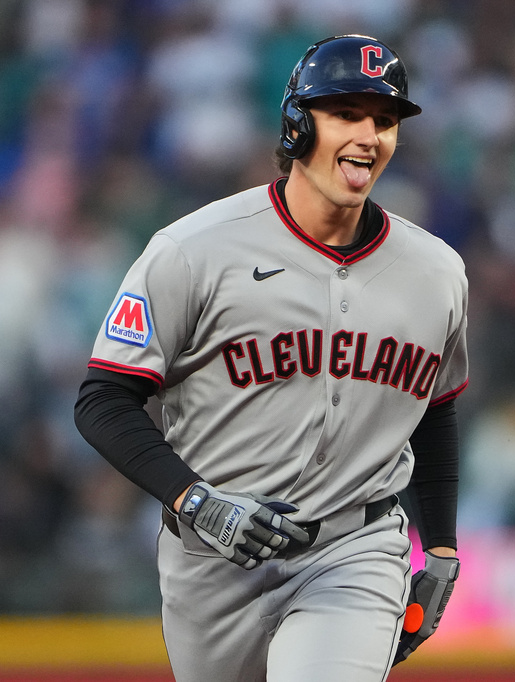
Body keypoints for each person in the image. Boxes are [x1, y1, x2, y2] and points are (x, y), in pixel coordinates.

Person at [73, 34, 467, 682]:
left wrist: (444, 548)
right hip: (209, 560)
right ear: (297, 123)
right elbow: (103, 399)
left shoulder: (436, 272)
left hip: (354, 548)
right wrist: (195, 500)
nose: (370, 136)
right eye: (347, 114)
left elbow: (432, 412)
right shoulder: (194, 249)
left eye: (385, 120)